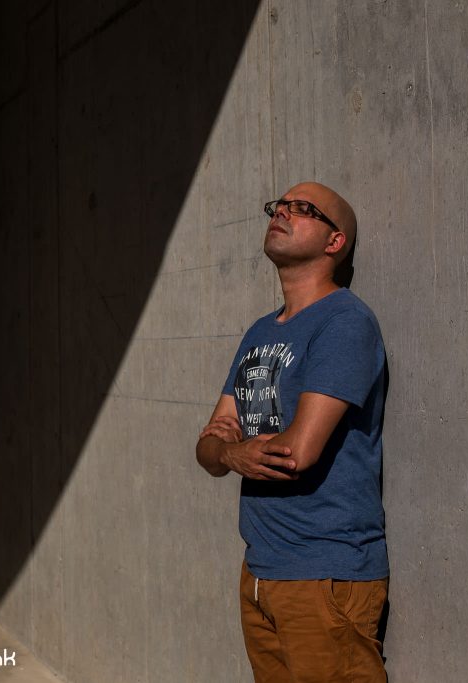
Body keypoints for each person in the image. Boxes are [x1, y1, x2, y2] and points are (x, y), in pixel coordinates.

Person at [196, 182, 389, 682]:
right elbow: (208, 446)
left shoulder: (345, 322)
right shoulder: (261, 332)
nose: (282, 212)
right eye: (278, 206)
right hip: (261, 570)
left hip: (324, 574)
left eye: (303, 209)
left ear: (334, 242)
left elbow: (294, 454)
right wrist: (233, 453)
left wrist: (229, 450)